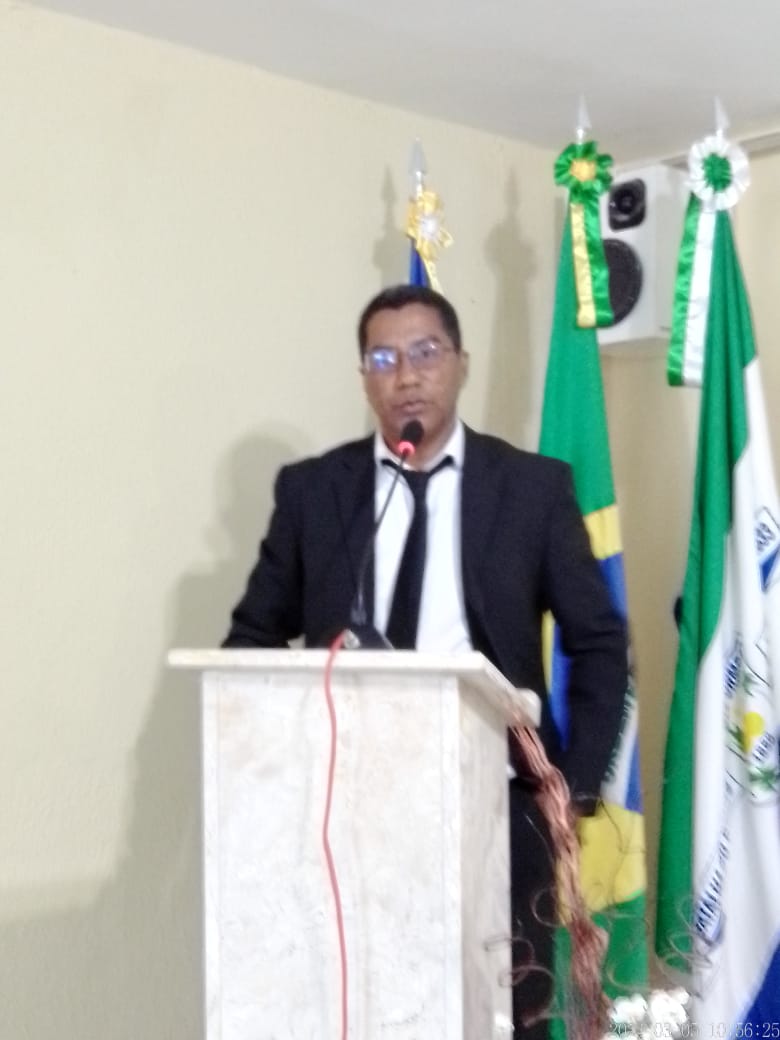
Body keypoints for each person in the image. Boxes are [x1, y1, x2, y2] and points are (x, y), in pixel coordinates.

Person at [223, 283, 628, 1036]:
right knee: (361, 1010)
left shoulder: (532, 490)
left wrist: (570, 789)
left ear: (461, 364)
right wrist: (274, 773)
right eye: (383, 359)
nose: (406, 375)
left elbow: (600, 643)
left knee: (507, 1015)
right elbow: (250, 641)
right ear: (364, 378)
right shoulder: (315, 493)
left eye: (425, 352)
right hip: (345, 807)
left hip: (501, 803)